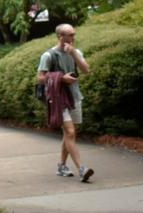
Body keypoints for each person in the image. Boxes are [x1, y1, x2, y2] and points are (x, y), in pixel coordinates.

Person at [38, 23, 94, 182]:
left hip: (75, 97)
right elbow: (41, 78)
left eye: (74, 34)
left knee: (68, 133)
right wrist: (61, 78)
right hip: (58, 99)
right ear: (60, 37)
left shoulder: (76, 52)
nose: (73, 38)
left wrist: (74, 54)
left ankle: (61, 166)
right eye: (70, 35)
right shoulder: (48, 55)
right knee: (70, 132)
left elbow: (86, 70)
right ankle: (82, 169)